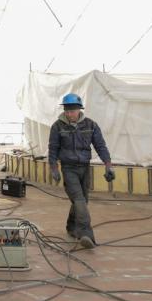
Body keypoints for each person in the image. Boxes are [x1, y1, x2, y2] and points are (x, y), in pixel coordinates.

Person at [47, 93, 114, 249]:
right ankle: (85, 234)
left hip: (84, 167)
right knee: (79, 200)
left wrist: (108, 165)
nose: (69, 114)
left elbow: (101, 146)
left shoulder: (91, 125)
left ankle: (71, 226)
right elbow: (53, 149)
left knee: (82, 200)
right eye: (67, 110)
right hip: (68, 168)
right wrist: (54, 168)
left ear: (79, 109)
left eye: (73, 110)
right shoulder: (57, 126)